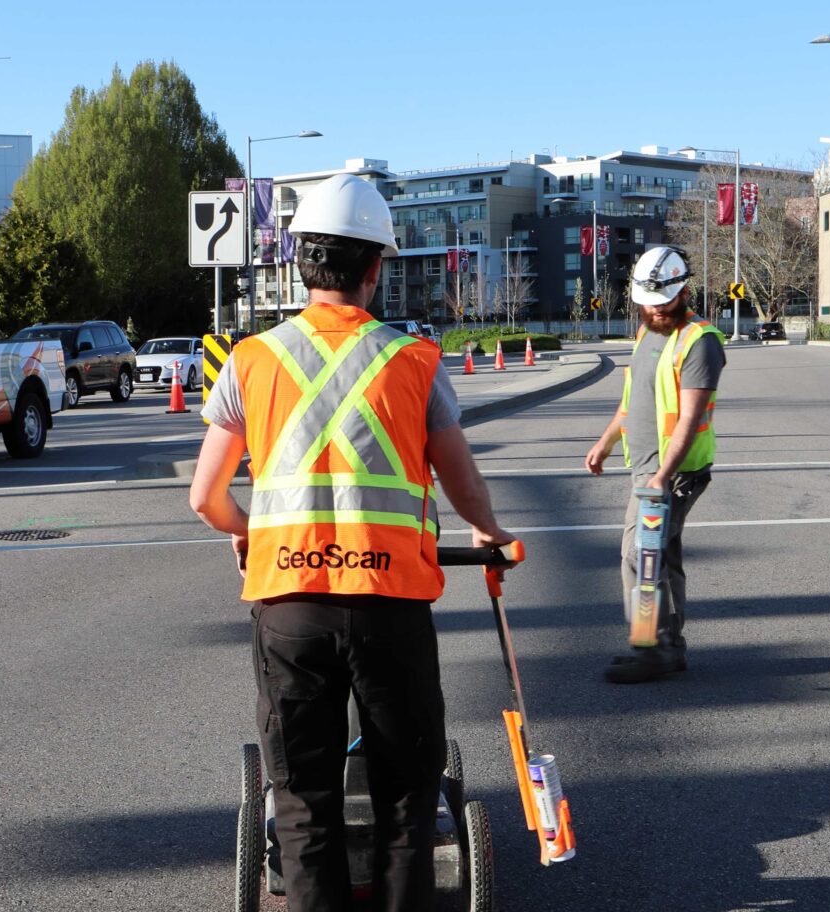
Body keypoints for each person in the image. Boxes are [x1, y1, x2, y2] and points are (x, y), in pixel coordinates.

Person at [189, 172, 513, 912]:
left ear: (303, 261)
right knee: (405, 803)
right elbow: (462, 481)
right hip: (388, 608)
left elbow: (206, 497)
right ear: (376, 269)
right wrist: (490, 533)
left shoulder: (249, 361)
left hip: (290, 610)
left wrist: (251, 535)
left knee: (302, 806)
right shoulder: (414, 362)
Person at [584, 246, 725, 684]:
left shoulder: (699, 342)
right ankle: (669, 646)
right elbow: (632, 401)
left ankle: (650, 647)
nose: (654, 308)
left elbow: (690, 417)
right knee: (661, 554)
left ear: (682, 291)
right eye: (646, 301)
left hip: (672, 473)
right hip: (647, 467)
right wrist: (606, 441)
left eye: (661, 300)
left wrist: (662, 477)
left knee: (638, 555)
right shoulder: (646, 334)